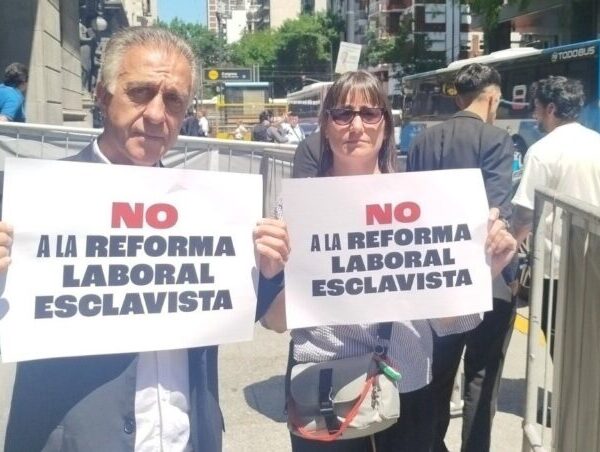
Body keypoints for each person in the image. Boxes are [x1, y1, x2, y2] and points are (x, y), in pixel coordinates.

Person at [254, 70, 517, 452]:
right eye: (342, 114)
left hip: (407, 387)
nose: (356, 126)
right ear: (325, 125)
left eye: (369, 113)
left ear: (386, 125)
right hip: (324, 391)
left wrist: (482, 273)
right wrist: (270, 273)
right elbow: (276, 323)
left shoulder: (424, 202)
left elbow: (445, 322)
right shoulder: (295, 209)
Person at [0, 27, 224, 452]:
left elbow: (247, 312)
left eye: (173, 99)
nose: (156, 114)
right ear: (102, 96)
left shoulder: (209, 209)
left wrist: (266, 267)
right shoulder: (30, 202)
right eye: (140, 92)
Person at [407, 63, 516, 452]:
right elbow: (498, 210)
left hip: (434, 280)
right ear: (492, 99)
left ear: (459, 99)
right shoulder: (496, 140)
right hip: (486, 277)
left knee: (435, 374)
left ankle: (431, 444)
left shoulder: (422, 141)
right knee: (482, 376)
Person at [512, 76, 600, 357]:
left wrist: (509, 253)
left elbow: (524, 214)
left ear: (551, 108)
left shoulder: (542, 151)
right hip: (594, 258)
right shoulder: (596, 142)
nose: (534, 114)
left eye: (536, 107)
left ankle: (565, 387)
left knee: (559, 339)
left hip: (556, 264)